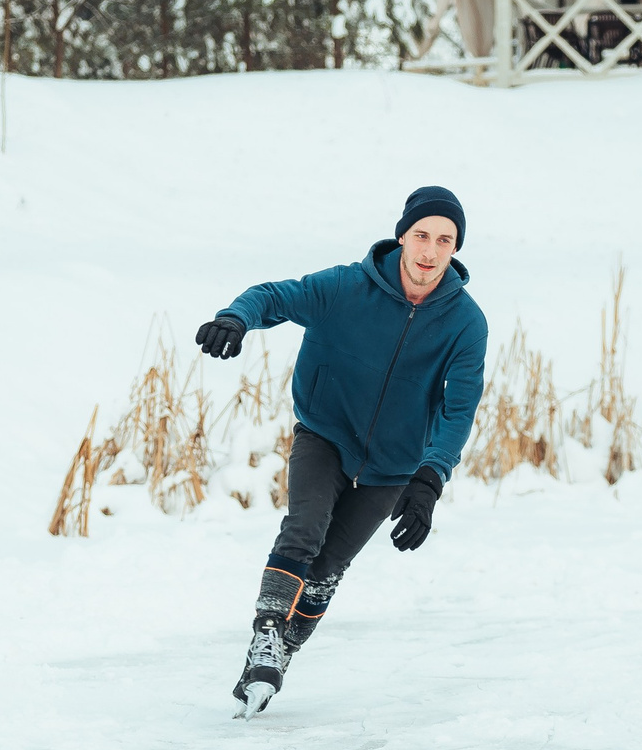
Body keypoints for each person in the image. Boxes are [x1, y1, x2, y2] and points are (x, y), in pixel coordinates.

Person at [195, 186, 487, 717]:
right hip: (325, 433)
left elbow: (459, 408)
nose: (430, 250)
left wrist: (429, 478)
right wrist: (236, 318)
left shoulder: (466, 323)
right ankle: (264, 638)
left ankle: (280, 655)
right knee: (304, 531)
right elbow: (274, 296)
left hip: (395, 464)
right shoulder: (346, 288)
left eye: (444, 240)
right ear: (402, 236)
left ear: (455, 249)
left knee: (330, 564)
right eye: (421, 235)